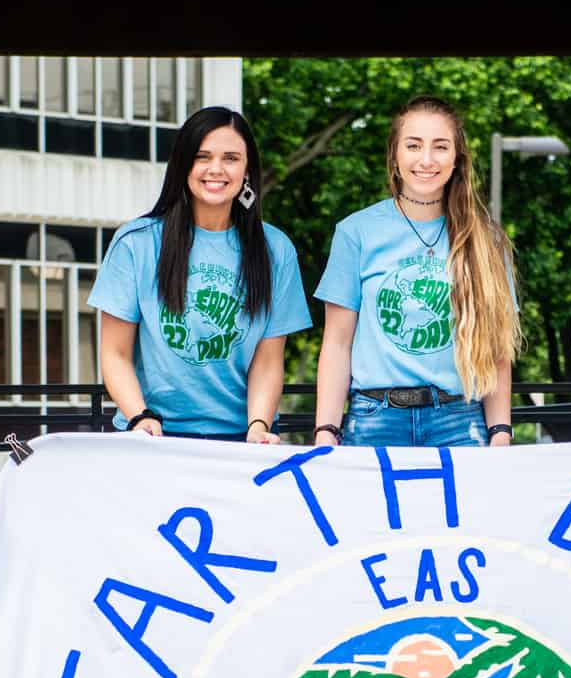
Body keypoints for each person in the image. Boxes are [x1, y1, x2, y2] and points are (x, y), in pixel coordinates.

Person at [92, 105, 311, 442]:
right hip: (153, 434)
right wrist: (140, 416)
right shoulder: (137, 243)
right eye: (202, 156)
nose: (216, 169)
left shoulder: (275, 249)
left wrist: (258, 427)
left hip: (242, 439)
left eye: (231, 158)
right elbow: (115, 353)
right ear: (183, 165)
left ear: (247, 168)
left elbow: (268, 361)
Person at [312, 95, 520, 449]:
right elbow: (336, 343)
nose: (426, 160)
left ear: (457, 159)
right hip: (374, 419)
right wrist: (325, 431)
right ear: (395, 155)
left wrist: (500, 431)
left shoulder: (487, 241)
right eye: (413, 145)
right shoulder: (355, 232)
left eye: (440, 147)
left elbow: (497, 350)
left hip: (459, 421)